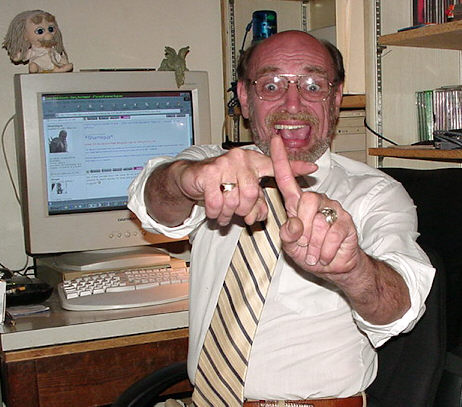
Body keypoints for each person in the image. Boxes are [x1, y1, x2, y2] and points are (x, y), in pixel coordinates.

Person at [128, 30, 434, 405]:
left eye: (312, 85)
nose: (292, 103)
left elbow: (401, 310)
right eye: (271, 85)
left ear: (336, 98)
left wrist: (353, 270)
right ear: (245, 98)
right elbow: (153, 204)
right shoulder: (212, 166)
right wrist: (183, 179)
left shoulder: (375, 193)